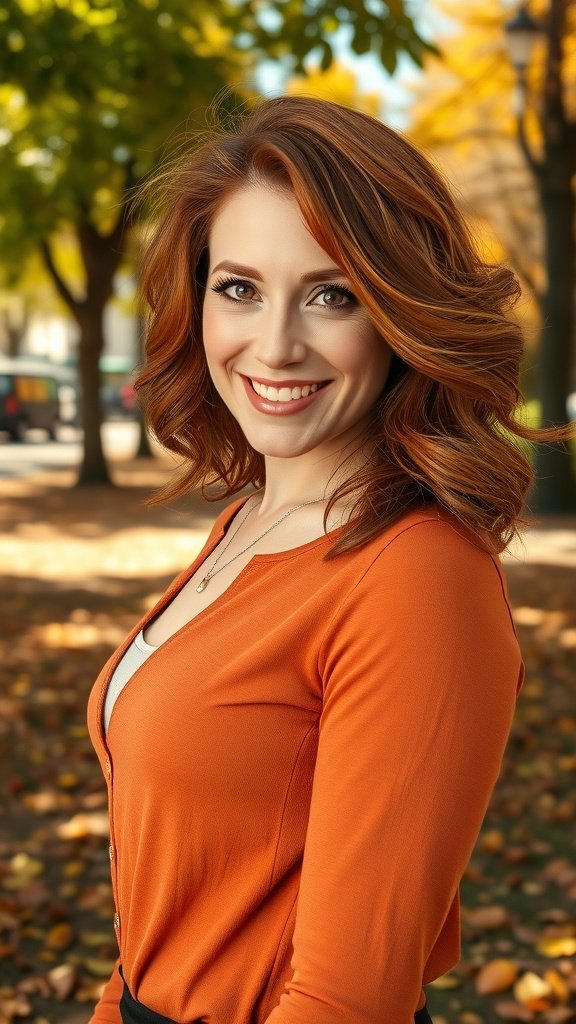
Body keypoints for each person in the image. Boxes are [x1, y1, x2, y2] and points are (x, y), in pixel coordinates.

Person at [87, 94, 556, 1024]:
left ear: (397, 312)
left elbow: (350, 1000)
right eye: (240, 288)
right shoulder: (252, 516)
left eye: (332, 295)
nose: (275, 344)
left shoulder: (418, 579)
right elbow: (165, 921)